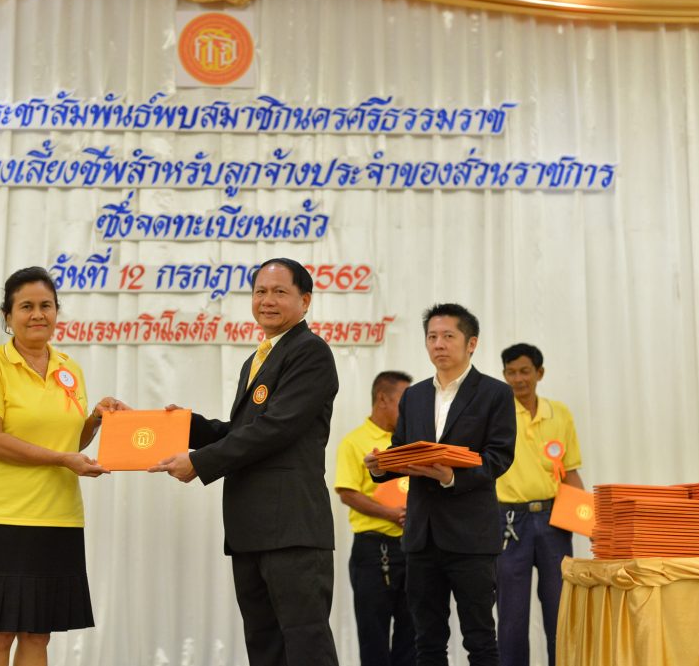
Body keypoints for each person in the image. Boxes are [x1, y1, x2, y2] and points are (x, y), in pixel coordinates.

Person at [150, 258, 340, 666]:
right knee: (264, 646)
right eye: (260, 292)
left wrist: (200, 463)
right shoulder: (258, 359)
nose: (267, 300)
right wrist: (184, 426)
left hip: (291, 529)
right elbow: (242, 432)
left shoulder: (310, 352)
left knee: (306, 646)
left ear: (305, 300)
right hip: (251, 530)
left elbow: (276, 428)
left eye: (279, 292)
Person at [0, 266, 128, 666]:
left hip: (59, 518)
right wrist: (63, 459)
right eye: (26, 306)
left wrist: (96, 419)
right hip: (4, 517)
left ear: (56, 312)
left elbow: (70, 442)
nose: (37, 315)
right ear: (7, 315)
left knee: (38, 634)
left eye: (46, 306)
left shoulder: (69, 369)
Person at [364, 303, 515, 666]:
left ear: (471, 343)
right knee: (427, 641)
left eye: (448, 336)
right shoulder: (414, 395)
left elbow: (499, 457)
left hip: (471, 537)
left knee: (480, 639)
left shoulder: (495, 393)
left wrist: (453, 477)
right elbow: (402, 449)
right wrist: (381, 466)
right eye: (432, 337)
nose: (438, 344)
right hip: (422, 537)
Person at [496, 344, 584, 666]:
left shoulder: (559, 413)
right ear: (504, 375)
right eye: (511, 372)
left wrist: (589, 520)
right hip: (509, 523)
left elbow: (570, 471)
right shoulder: (496, 413)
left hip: (554, 520)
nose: (518, 379)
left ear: (539, 373)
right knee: (511, 616)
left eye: (525, 371)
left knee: (560, 611)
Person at [335, 371, 416, 666]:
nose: (410, 410)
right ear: (383, 399)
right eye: (404, 402)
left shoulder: (410, 441)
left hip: (413, 549)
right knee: (374, 636)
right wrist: (390, 514)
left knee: (413, 635)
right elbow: (347, 493)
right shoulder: (354, 442)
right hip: (373, 551)